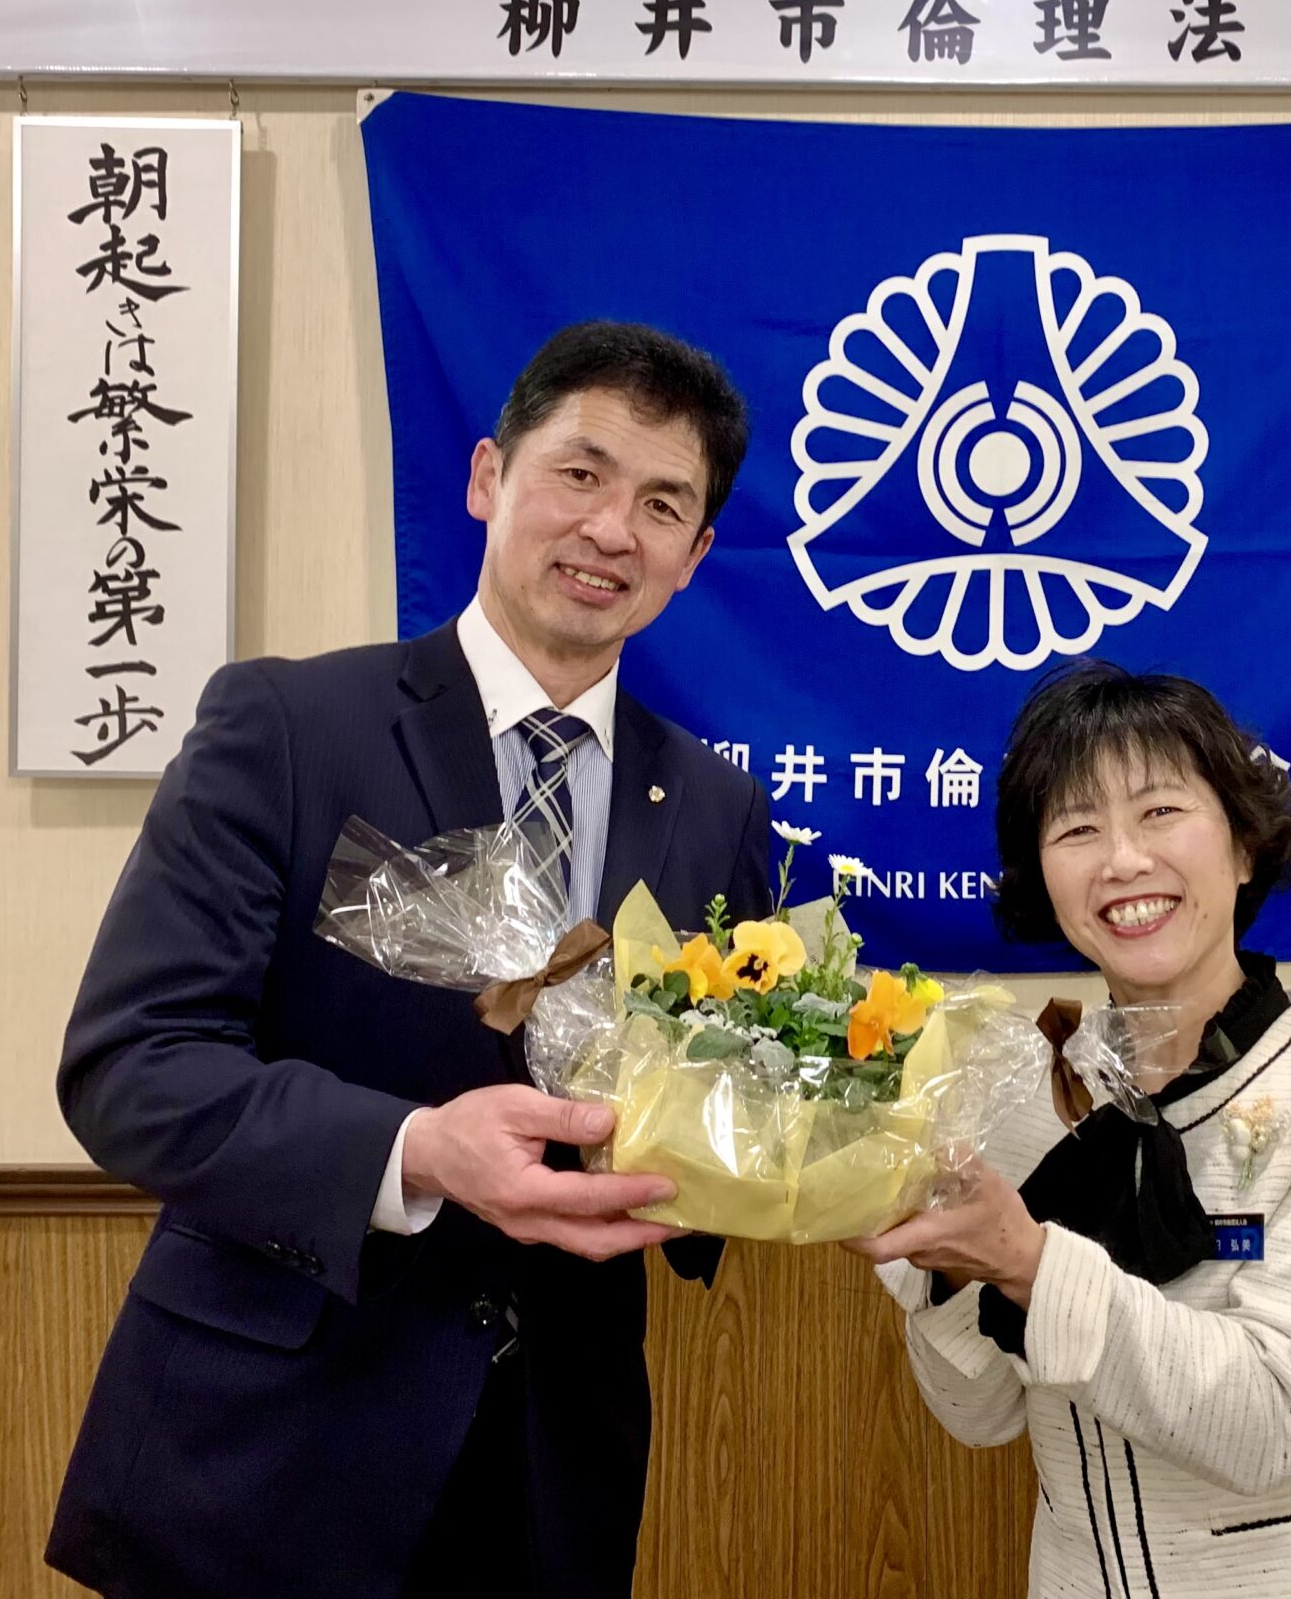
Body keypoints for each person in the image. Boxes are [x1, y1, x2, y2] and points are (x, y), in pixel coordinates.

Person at [46, 322, 773, 1599]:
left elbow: (725, 1101)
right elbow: (132, 1067)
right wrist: (416, 1151)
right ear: (490, 476)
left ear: (695, 555)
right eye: (581, 473)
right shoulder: (287, 725)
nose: (612, 530)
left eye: (663, 505)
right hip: (267, 1458)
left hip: (552, 1480)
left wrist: (783, 1151)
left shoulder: (714, 807)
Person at [852, 664, 1291, 1599]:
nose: (1123, 860)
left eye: (1161, 812)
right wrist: (934, 1265)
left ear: (1245, 846)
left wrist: (1028, 1261)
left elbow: (1272, 1421)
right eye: (1077, 829)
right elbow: (980, 1414)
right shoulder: (1026, 1100)